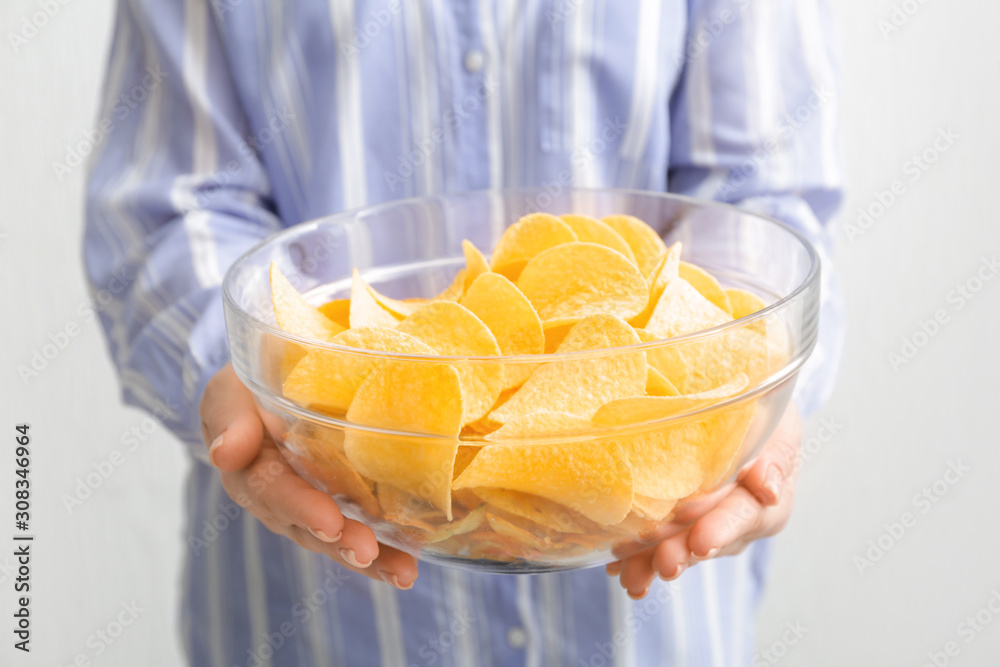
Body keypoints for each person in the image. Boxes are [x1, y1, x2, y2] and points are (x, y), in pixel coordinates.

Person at [85, 1, 843, 664]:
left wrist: (742, 395)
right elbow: (171, 201)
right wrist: (237, 375)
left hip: (652, 590)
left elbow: (758, 189)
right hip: (320, 598)